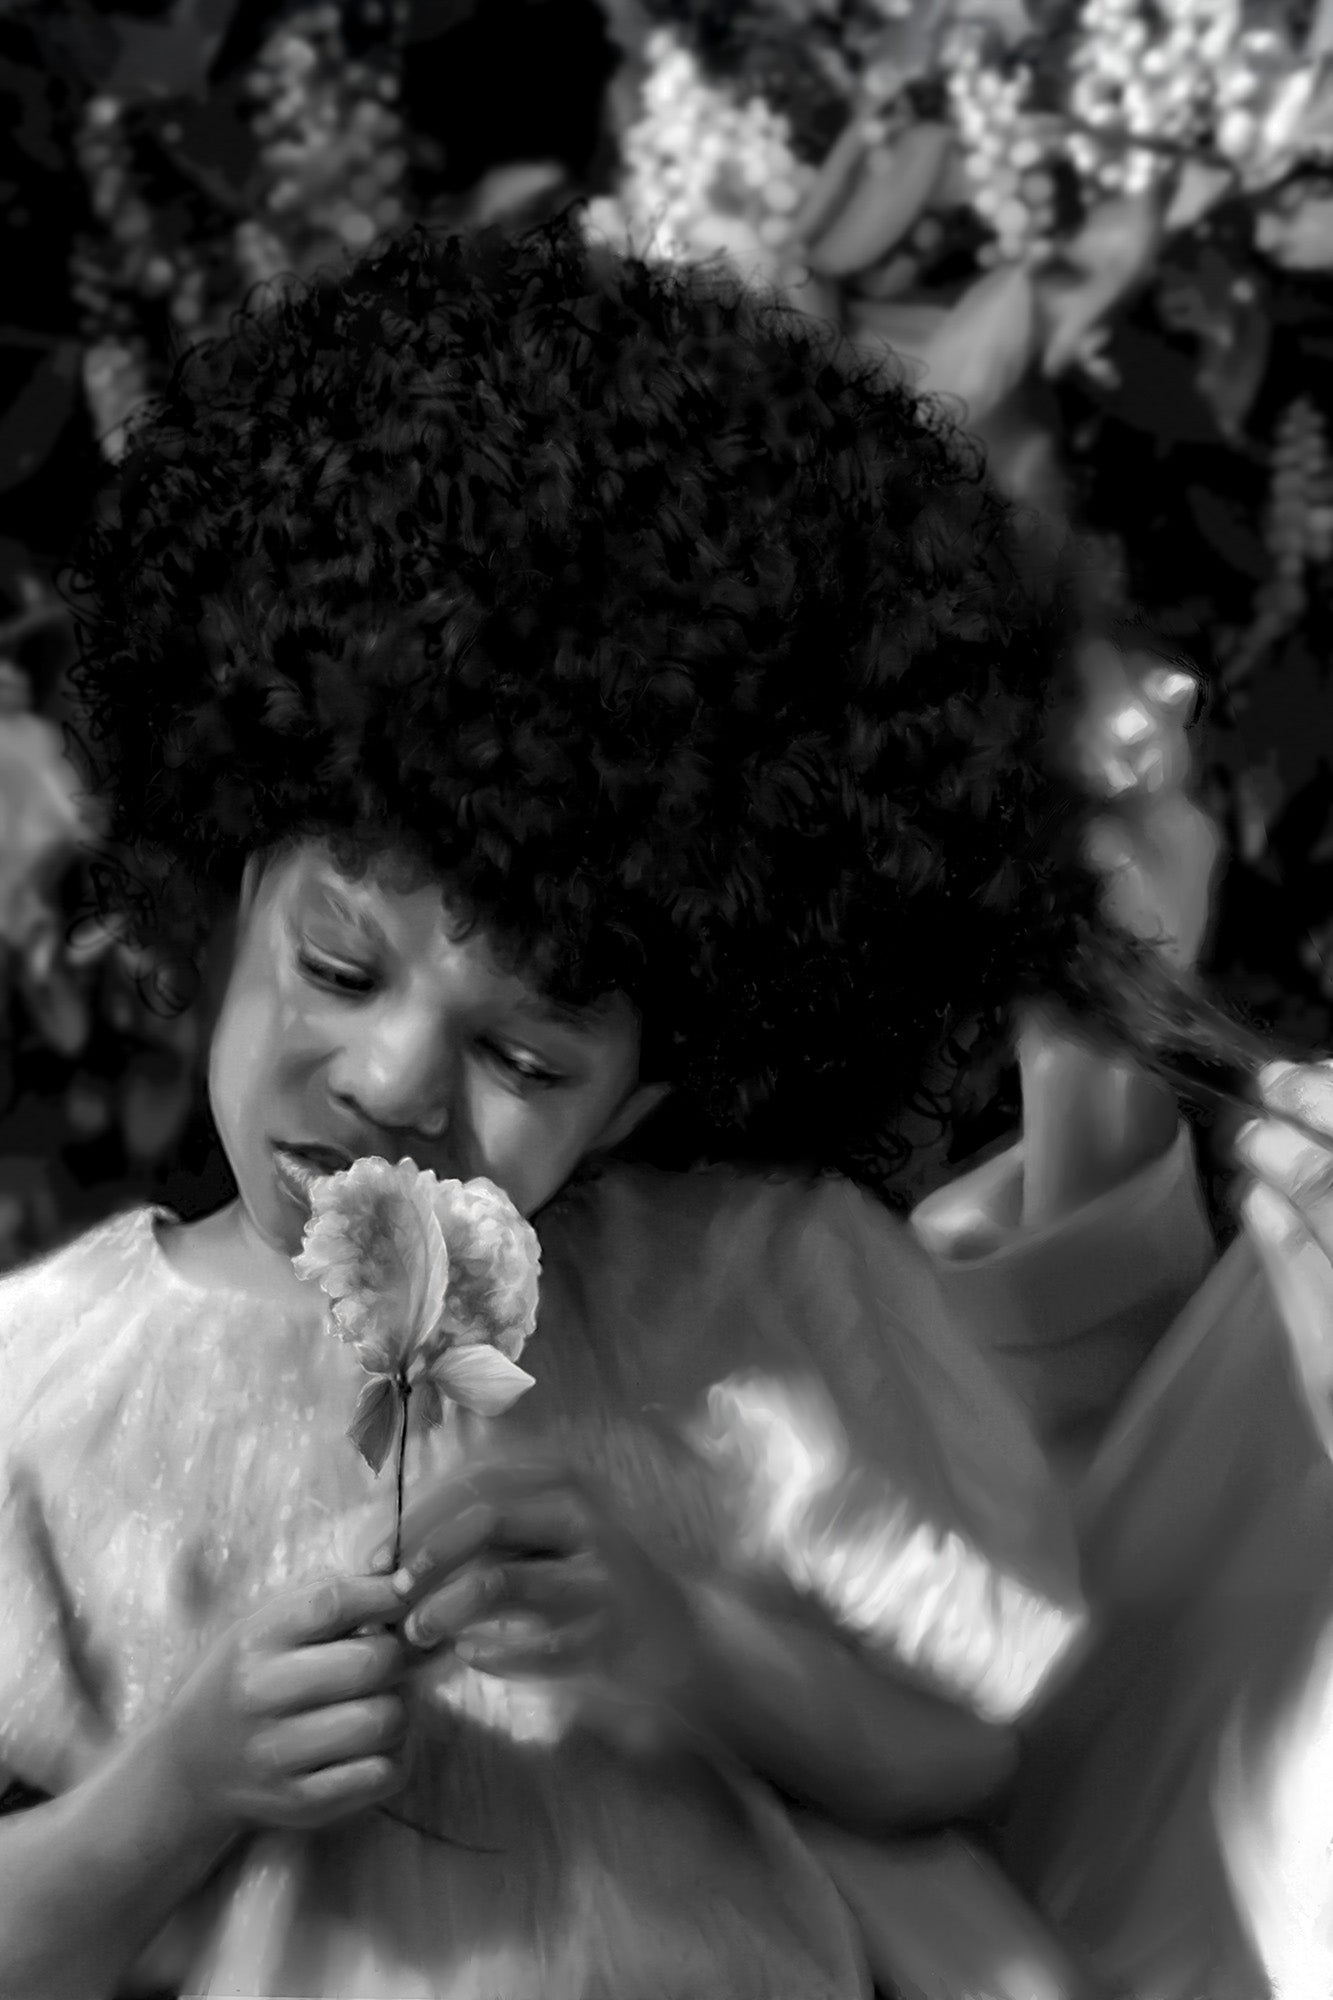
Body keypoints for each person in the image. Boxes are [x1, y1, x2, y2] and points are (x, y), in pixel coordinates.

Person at [0, 216, 1280, 2000]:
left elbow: (959, 1761)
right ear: (223, 882)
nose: (394, 1082)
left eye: (527, 1059)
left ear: (647, 1088)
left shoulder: (761, 1293)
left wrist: (693, 1650)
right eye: (341, 967)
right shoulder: (43, 1395)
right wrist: (180, 1786)